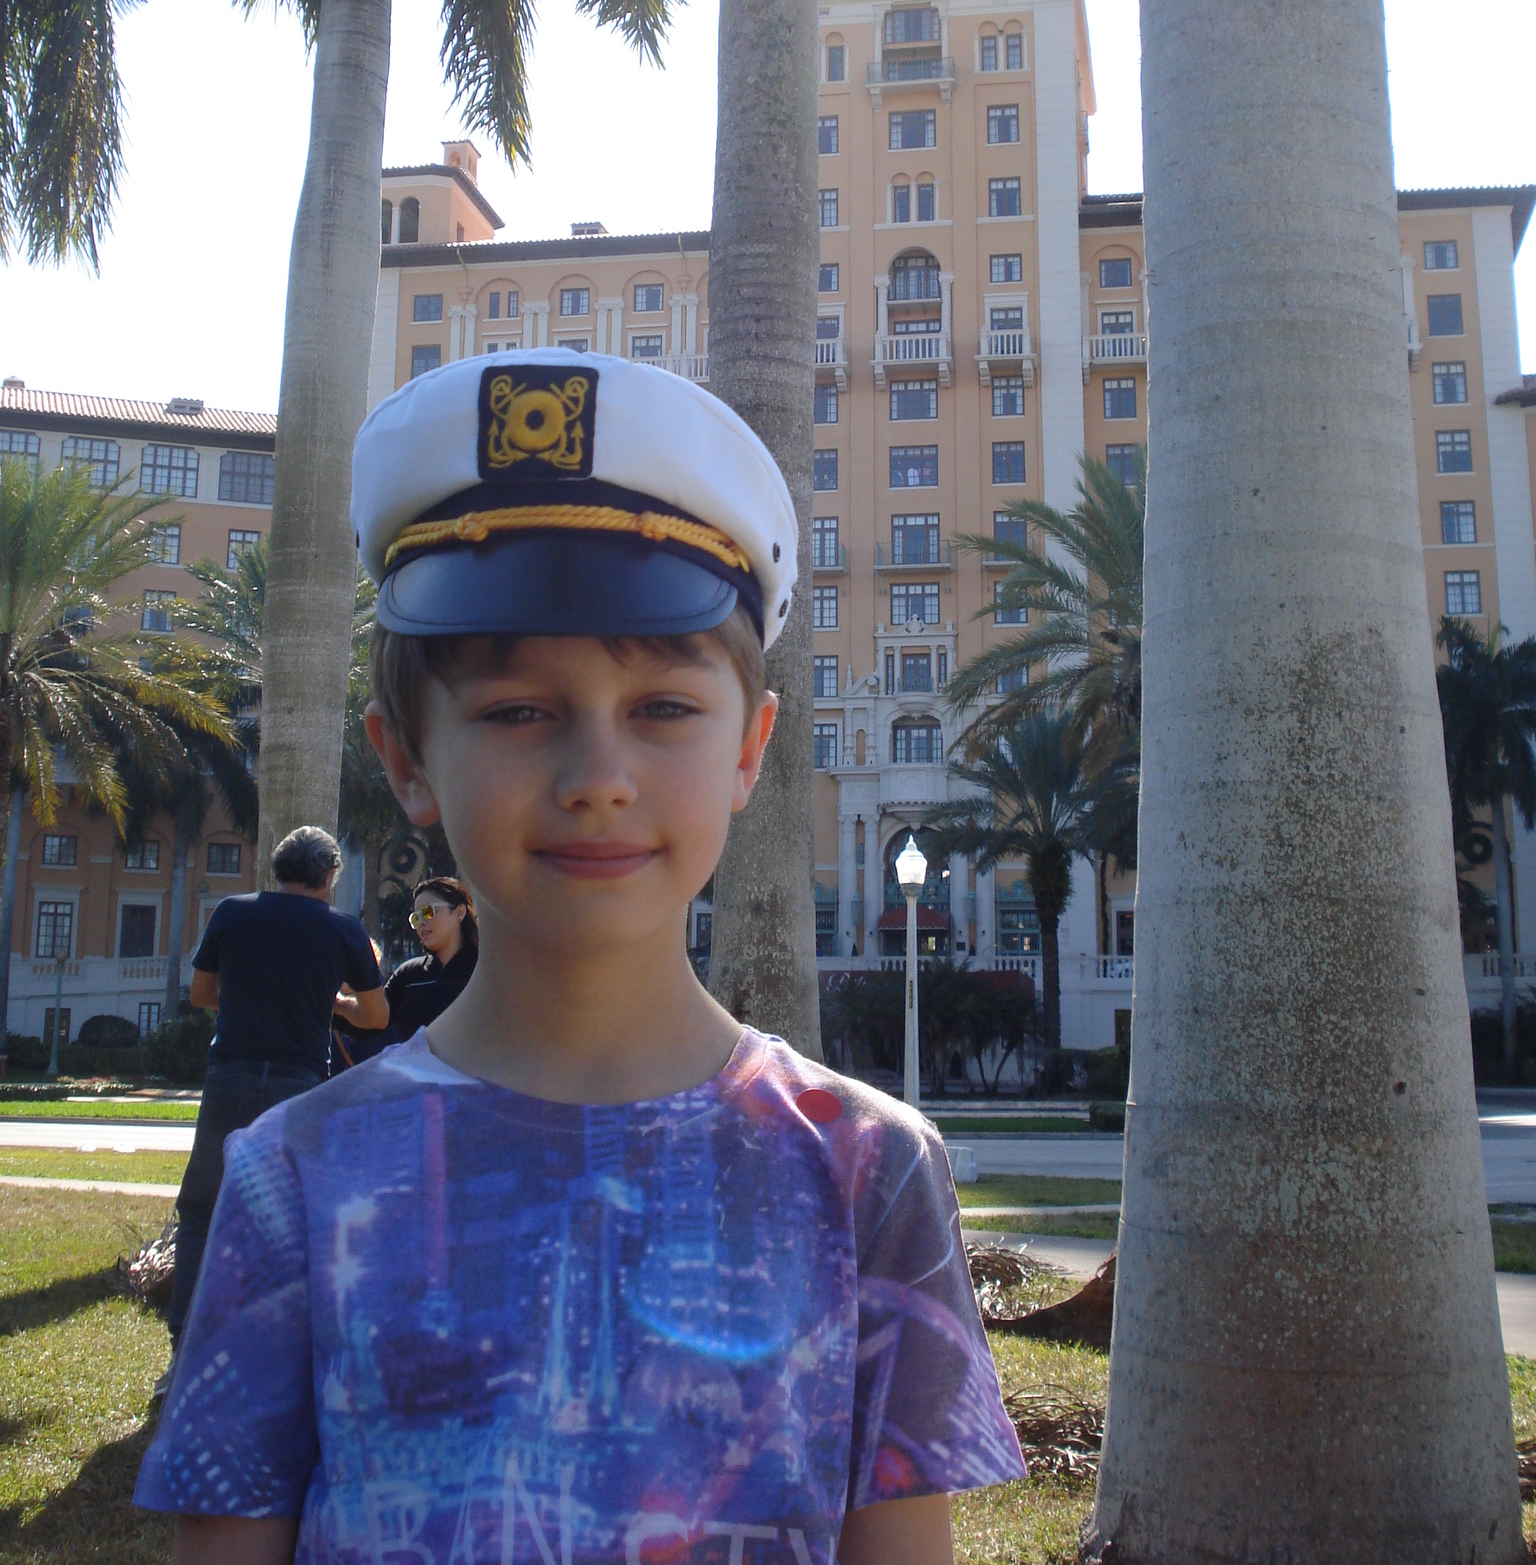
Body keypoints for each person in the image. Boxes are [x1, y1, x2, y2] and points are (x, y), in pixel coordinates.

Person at [136, 351, 1023, 1565]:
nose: (599, 775)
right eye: (518, 709)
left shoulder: (867, 1170)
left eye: (664, 708)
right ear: (405, 758)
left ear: (751, 747)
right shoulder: (295, 1178)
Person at [162, 825, 387, 1380]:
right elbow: (375, 1016)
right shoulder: (344, 930)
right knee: (292, 1216)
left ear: (276, 868)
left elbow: (201, 994)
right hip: (300, 1082)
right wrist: (330, 1002)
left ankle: (184, 1349)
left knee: (203, 1210)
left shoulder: (232, 913)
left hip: (231, 1074)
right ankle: (278, 1350)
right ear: (329, 876)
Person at [377, 876, 479, 1038]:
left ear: (459, 913)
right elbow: (374, 1020)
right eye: (415, 918)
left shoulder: (484, 971)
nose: (421, 923)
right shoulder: (408, 975)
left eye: (428, 912)